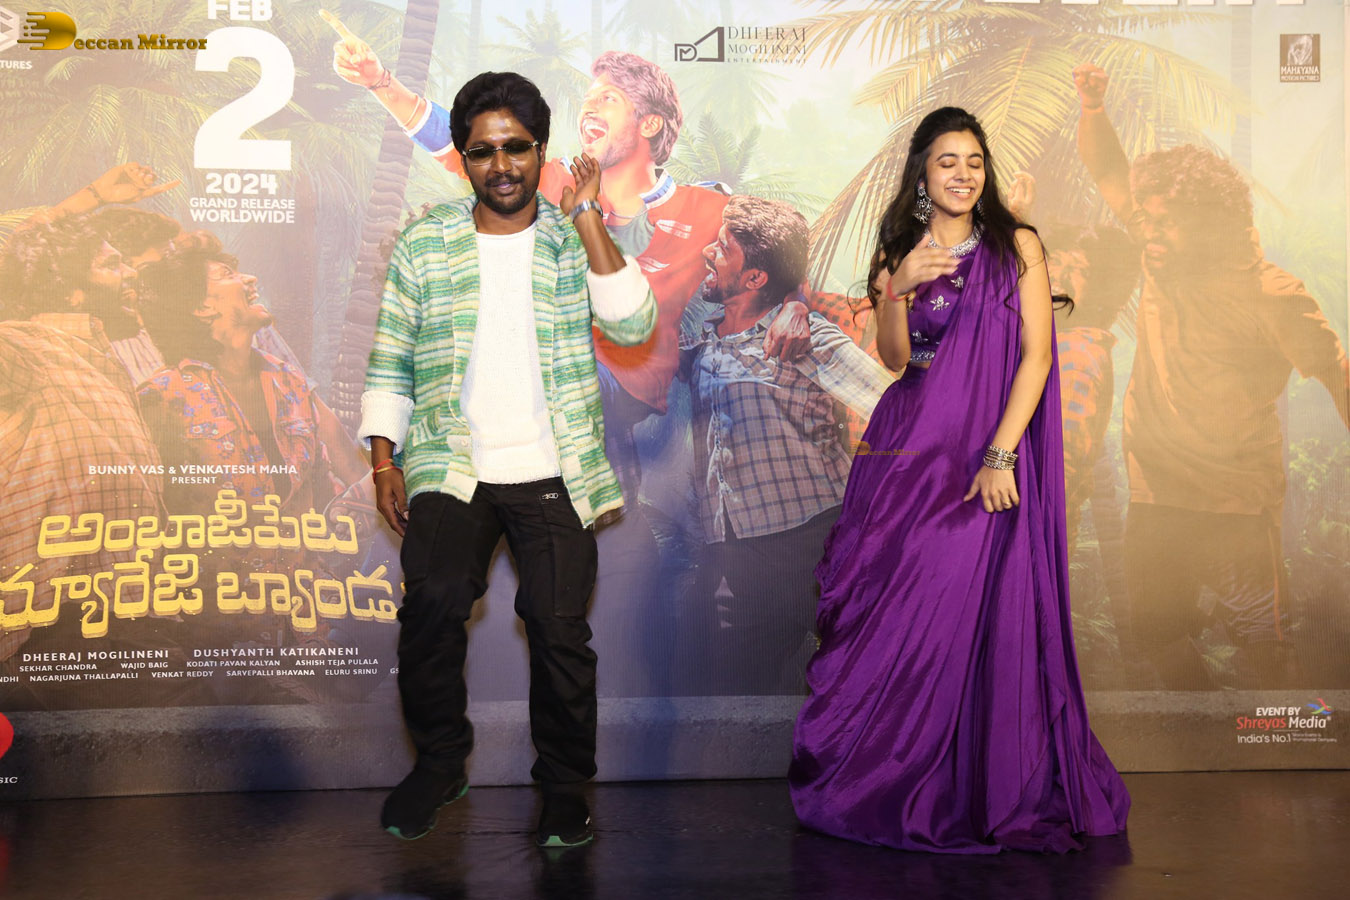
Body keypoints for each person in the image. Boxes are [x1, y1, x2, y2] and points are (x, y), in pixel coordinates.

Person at [789, 107, 1130, 852]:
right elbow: (894, 360)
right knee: (903, 613)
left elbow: (1037, 356)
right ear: (922, 173)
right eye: (948, 161)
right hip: (911, 454)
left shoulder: (1018, 247)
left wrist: (1002, 455)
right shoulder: (900, 252)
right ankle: (894, 778)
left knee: (974, 611)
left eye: (975, 162)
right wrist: (896, 288)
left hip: (984, 456)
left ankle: (978, 784)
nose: (963, 174)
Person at [358, 72, 655, 847]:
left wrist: (586, 216)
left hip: (555, 468)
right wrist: (385, 461)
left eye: (516, 148)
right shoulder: (426, 242)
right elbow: (390, 356)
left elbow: (633, 325)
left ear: (541, 151)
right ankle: (440, 765)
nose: (501, 165)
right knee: (431, 610)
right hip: (451, 463)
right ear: (462, 158)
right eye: (483, 151)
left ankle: (564, 787)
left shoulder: (570, 237)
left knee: (559, 631)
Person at [1073, 63, 1350, 689]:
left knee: (1263, 648)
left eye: (1165, 220)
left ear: (1209, 222)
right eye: (1145, 218)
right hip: (1156, 494)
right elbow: (1109, 170)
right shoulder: (1161, 247)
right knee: (1158, 636)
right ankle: (1205, 726)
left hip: (1236, 506)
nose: (1148, 231)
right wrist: (1092, 109)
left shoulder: (1272, 293)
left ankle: (1289, 740)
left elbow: (1337, 372)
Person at [678, 195, 893, 694]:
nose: (708, 252)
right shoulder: (704, 344)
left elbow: (896, 410)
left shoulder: (803, 336)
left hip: (816, 542)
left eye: (722, 248)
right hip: (735, 556)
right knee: (732, 699)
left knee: (861, 685)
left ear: (755, 277)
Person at [0, 215, 163, 663]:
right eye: (111, 265)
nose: (131, 273)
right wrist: (40, 248)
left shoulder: (99, 363)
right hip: (46, 631)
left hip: (114, 618)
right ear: (70, 289)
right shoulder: (24, 345)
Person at [135, 234, 368, 515]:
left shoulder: (289, 381)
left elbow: (327, 482)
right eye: (227, 274)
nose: (250, 279)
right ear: (202, 307)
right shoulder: (162, 394)